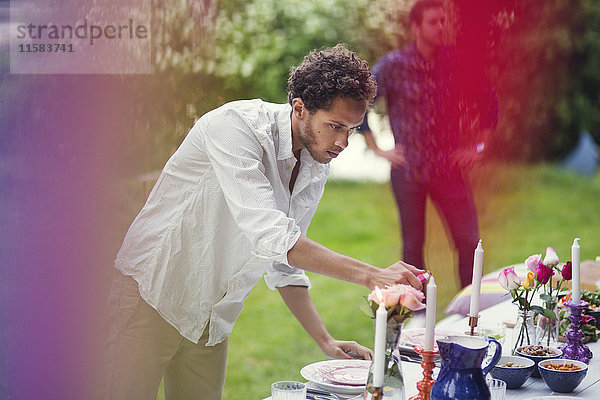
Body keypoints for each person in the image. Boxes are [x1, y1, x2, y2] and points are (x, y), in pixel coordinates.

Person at [105, 44, 423, 400]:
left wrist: (326, 341)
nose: (342, 142)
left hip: (213, 318)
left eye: (351, 128)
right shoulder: (235, 127)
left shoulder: (316, 162)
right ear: (299, 108)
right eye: (335, 126)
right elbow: (270, 234)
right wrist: (370, 275)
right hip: (153, 293)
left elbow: (284, 260)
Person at [358, 0, 498, 289]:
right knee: (412, 249)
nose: (441, 27)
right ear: (416, 27)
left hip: (449, 169)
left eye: (443, 21)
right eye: (433, 22)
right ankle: (415, 315)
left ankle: (470, 310)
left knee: (469, 242)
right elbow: (359, 101)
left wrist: (478, 148)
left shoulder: (456, 60)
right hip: (409, 172)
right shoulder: (395, 65)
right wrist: (377, 148)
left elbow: (488, 99)